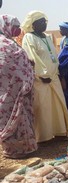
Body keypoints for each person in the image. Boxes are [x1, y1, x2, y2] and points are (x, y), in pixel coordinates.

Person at [21, 10, 68, 142]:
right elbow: (32, 57)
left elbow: (54, 56)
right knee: (43, 107)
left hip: (54, 77)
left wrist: (58, 73)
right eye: (41, 22)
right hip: (41, 79)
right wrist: (42, 74)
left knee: (58, 105)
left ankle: (59, 131)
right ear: (33, 24)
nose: (44, 24)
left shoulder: (47, 37)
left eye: (45, 21)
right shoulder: (29, 37)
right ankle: (44, 137)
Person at [0, 14, 37, 158]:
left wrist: (27, 63)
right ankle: (15, 149)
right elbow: (7, 67)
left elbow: (20, 62)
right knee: (12, 118)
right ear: (6, 26)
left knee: (23, 118)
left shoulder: (11, 42)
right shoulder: (4, 44)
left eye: (17, 27)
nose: (17, 30)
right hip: (10, 90)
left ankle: (25, 148)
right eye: (14, 26)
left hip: (18, 89)